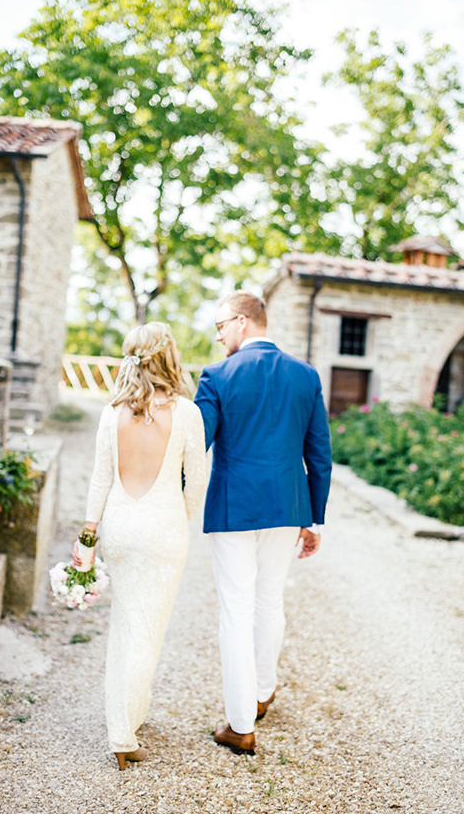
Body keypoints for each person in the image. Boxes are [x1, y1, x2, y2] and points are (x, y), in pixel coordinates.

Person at [194, 291, 332, 755]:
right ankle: (261, 692)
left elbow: (198, 445)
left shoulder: (216, 376)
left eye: (220, 326)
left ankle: (240, 724)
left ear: (242, 322)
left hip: (234, 507)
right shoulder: (305, 375)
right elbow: (319, 455)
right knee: (269, 600)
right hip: (288, 506)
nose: (218, 336)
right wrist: (314, 519)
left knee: (236, 609)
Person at [74, 322, 206, 770]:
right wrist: (181, 516)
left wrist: (88, 535)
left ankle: (130, 714)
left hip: (120, 527)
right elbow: (197, 484)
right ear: (169, 357)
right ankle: (123, 733)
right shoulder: (188, 413)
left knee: (126, 623)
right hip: (164, 527)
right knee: (148, 631)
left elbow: (100, 480)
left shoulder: (112, 414)